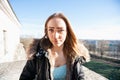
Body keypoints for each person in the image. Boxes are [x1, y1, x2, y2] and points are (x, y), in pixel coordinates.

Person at [19, 12, 90, 80]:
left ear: (67, 32)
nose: (55, 36)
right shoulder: (37, 52)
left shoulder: (76, 54)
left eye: (60, 30)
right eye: (51, 30)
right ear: (46, 32)